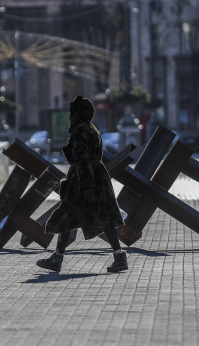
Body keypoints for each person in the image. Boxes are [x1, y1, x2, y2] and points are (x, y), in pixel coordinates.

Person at [36, 96, 127, 273]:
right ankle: (119, 255)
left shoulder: (79, 131)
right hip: (99, 176)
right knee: (104, 216)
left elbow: (81, 158)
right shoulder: (93, 129)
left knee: (67, 215)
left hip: (82, 178)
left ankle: (57, 258)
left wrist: (85, 185)